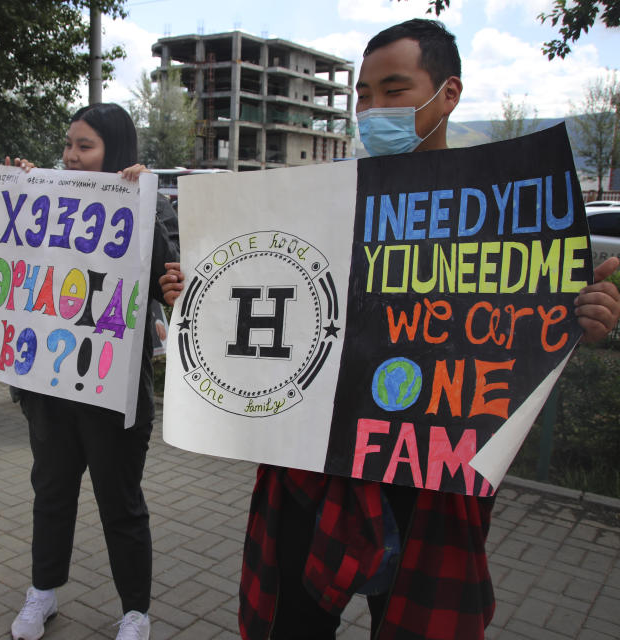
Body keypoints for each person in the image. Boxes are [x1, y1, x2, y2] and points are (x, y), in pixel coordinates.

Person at [159, 19, 620, 640]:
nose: (373, 110)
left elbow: (519, 331)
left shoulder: (504, 214)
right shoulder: (320, 203)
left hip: (429, 490)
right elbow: (271, 305)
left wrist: (578, 323)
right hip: (312, 476)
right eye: (364, 96)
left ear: (447, 93)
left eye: (394, 91)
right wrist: (200, 298)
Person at [7, 103, 179, 640]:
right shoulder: (46, 201)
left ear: (117, 152)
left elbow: (167, 282)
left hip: (115, 392)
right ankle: (42, 594)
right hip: (49, 387)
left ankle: (135, 611)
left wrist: (145, 202)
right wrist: (12, 192)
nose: (72, 157)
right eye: (69, 146)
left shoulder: (148, 207)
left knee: (120, 504)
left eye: (86, 147)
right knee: (51, 494)